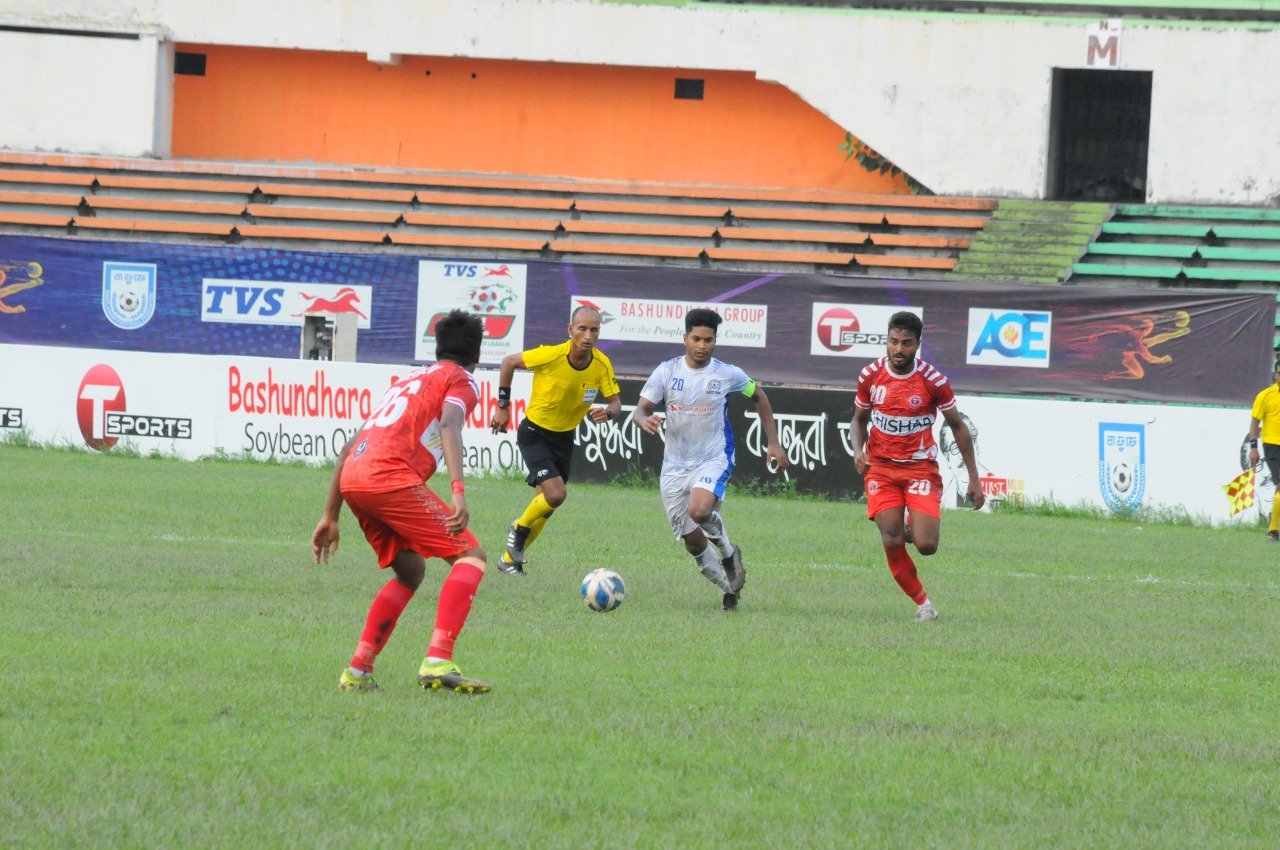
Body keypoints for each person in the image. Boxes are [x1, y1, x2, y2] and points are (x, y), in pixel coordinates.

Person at [311, 309, 491, 693]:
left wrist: (330, 515)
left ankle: (357, 672)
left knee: (410, 571)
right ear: (477, 354)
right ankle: (438, 661)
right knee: (471, 556)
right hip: (388, 476)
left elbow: (347, 447)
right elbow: (449, 425)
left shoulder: (407, 380)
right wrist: (458, 492)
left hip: (355, 477)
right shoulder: (462, 380)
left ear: (438, 347)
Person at [632, 308, 788, 611]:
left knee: (700, 511)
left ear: (715, 341)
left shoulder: (727, 373)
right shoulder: (667, 371)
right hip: (675, 466)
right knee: (693, 543)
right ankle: (729, 587)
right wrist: (644, 421)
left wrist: (774, 443)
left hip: (714, 457)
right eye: (696, 339)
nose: (702, 345)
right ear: (685, 338)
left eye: (708, 340)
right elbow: (640, 410)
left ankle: (729, 554)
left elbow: (759, 395)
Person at [850, 310, 984, 623]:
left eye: (906, 343)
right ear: (886, 341)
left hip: (920, 469)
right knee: (892, 539)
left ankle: (909, 518)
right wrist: (858, 451)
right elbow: (859, 420)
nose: (899, 349)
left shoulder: (933, 381)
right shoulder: (870, 376)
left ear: (918, 344)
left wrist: (973, 478)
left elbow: (958, 427)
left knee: (926, 545)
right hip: (881, 469)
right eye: (893, 341)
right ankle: (924, 604)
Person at [488, 305, 622, 574]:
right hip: (535, 433)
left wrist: (608, 412)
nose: (588, 335)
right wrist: (503, 406)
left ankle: (508, 560)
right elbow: (509, 362)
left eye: (594, 329)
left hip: (563, 439)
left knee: (545, 508)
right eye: (582, 328)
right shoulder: (551, 355)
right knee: (557, 494)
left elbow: (616, 403)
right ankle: (517, 528)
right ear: (570, 330)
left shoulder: (601, 364)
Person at [1247, 362, 1280, 542]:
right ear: (1275, 375)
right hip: (1273, 446)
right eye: (1279, 373)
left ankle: (1273, 522)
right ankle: (1273, 530)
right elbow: (1254, 423)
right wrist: (1254, 447)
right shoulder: (1265, 396)